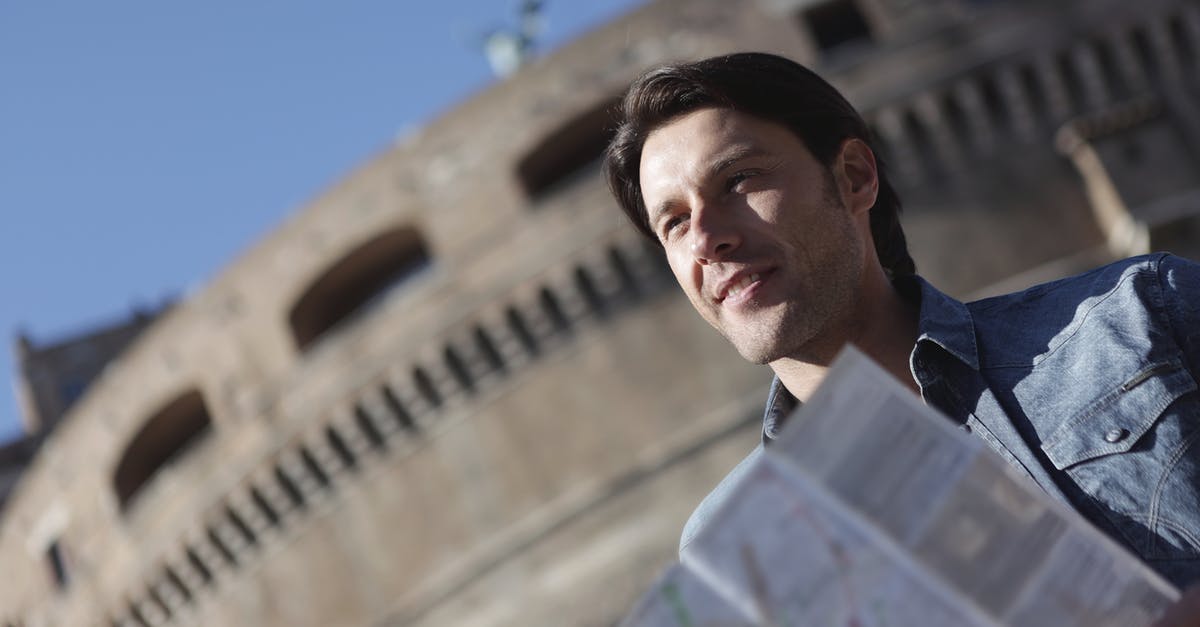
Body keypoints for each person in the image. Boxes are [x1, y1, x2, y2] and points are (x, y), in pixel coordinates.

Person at [603, 52, 1200, 623]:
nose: (706, 238)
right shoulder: (726, 549)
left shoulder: (1139, 315)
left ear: (855, 177)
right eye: (675, 222)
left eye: (738, 180)